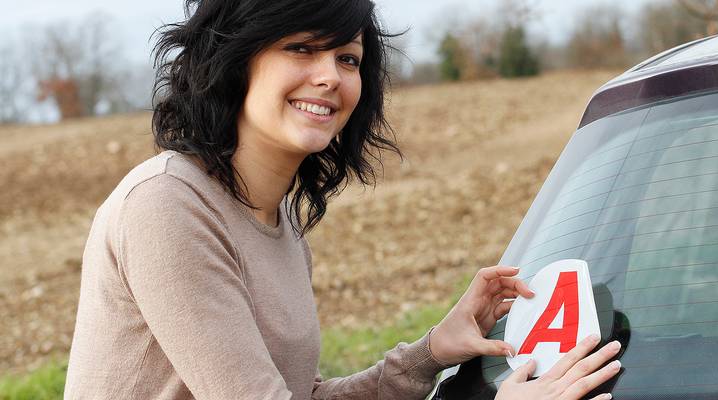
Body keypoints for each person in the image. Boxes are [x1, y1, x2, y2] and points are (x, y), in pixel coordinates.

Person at [63, 0, 621, 399]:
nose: (329, 76)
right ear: (236, 61)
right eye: (301, 48)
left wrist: (430, 353)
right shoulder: (166, 207)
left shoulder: (280, 226)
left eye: (347, 59)